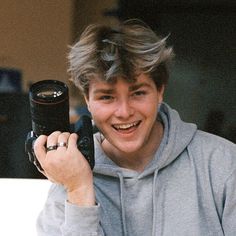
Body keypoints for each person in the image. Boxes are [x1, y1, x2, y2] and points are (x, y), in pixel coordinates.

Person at [34, 20, 236, 236]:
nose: (124, 111)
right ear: (88, 100)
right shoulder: (72, 176)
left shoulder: (223, 164)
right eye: (107, 97)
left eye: (138, 93)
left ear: (160, 91)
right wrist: (79, 190)